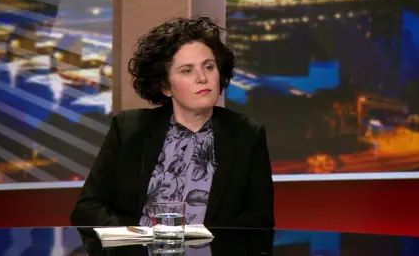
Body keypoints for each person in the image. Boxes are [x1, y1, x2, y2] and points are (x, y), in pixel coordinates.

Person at [70, 16, 274, 229]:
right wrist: (132, 238)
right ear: (165, 86)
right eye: (187, 71)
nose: (202, 78)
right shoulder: (129, 129)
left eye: (209, 67)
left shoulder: (247, 135)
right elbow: (87, 208)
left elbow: (259, 220)